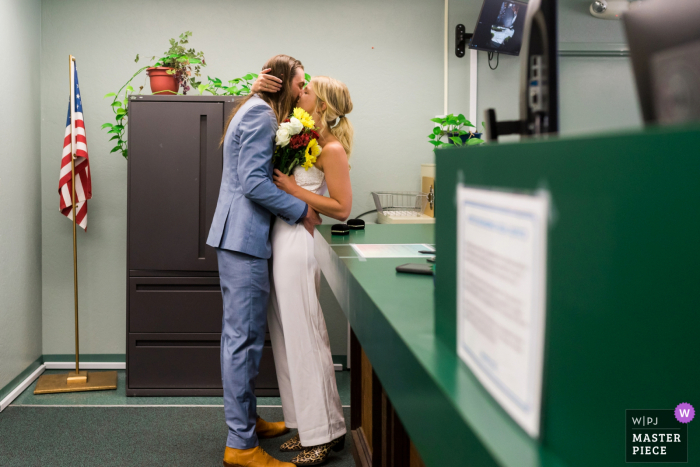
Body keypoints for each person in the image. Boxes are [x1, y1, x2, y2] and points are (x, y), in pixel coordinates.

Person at [207, 54, 322, 467]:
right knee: (244, 341)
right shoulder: (259, 116)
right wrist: (300, 210)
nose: (300, 90)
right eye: (298, 83)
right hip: (243, 240)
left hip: (236, 238)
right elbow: (254, 182)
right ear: (280, 84)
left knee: (240, 338)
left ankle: (246, 421)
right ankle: (240, 445)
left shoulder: (251, 107)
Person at [251, 74, 354, 465]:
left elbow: (342, 208)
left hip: (300, 244)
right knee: (286, 336)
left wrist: (295, 191)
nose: (301, 92)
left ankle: (325, 433)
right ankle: (304, 426)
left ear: (322, 106)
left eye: (307, 91)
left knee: (307, 336)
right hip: (280, 238)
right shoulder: (303, 138)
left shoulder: (331, 149)